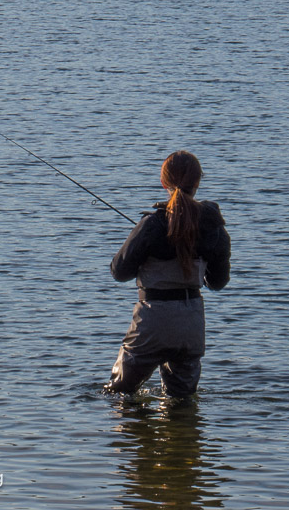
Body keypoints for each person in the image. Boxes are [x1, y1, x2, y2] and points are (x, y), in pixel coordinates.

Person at [104, 151, 231, 398]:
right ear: (198, 183)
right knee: (182, 403)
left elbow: (119, 272)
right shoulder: (213, 226)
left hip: (152, 321)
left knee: (119, 395)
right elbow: (218, 282)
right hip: (191, 323)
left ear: (164, 183)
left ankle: (132, 435)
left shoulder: (152, 225)